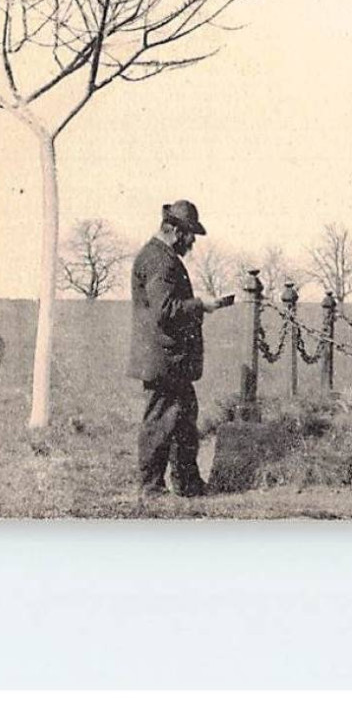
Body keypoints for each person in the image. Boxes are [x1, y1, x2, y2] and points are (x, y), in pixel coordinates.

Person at [127, 200, 234, 498]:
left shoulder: (160, 257)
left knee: (184, 421)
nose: (192, 243)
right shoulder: (160, 261)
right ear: (174, 231)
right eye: (190, 236)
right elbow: (165, 310)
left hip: (170, 358)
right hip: (164, 359)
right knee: (160, 422)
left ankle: (187, 483)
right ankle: (151, 487)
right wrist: (203, 305)